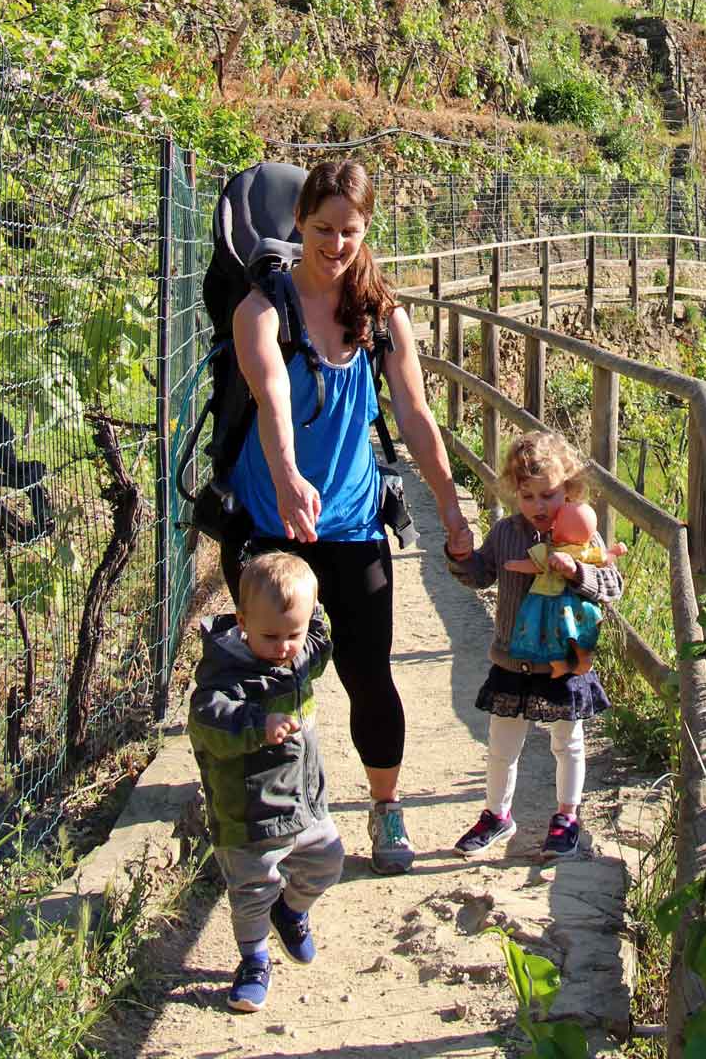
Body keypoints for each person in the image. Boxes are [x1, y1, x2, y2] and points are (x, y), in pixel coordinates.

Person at [227, 158, 474, 874]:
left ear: (367, 231)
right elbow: (270, 396)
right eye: (322, 229)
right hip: (276, 525)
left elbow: (416, 417)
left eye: (350, 231)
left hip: (353, 523)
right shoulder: (261, 308)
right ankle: (270, 815)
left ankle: (386, 806)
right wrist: (286, 475)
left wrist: (452, 509)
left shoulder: (383, 315)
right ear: (299, 223)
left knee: (368, 673)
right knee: (271, 673)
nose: (335, 244)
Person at [446, 430, 623, 861]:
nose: (539, 507)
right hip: (513, 658)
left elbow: (612, 586)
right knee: (501, 744)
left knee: (568, 742)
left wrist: (578, 572)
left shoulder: (583, 533)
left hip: (564, 660)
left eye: (549, 494)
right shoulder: (507, 533)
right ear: (514, 494)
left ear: (569, 488)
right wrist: (461, 556)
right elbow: (483, 574)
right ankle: (496, 814)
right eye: (527, 496)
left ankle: (567, 816)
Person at [188, 551, 343, 1015]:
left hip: (303, 803)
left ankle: (291, 911)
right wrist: (257, 723)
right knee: (252, 891)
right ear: (241, 622)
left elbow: (320, 641)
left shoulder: (296, 655)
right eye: (271, 636)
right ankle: (253, 959)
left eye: (291, 635)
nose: (283, 647)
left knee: (327, 863)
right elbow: (208, 721)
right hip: (250, 813)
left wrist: (314, 607)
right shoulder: (226, 676)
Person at [504, 498, 624, 676]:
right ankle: (583, 658)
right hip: (576, 607)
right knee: (577, 633)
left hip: (548, 601)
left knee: (550, 632)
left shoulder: (550, 550)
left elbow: (535, 565)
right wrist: (616, 551)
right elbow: (604, 557)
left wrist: (514, 565)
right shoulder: (585, 551)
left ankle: (559, 664)